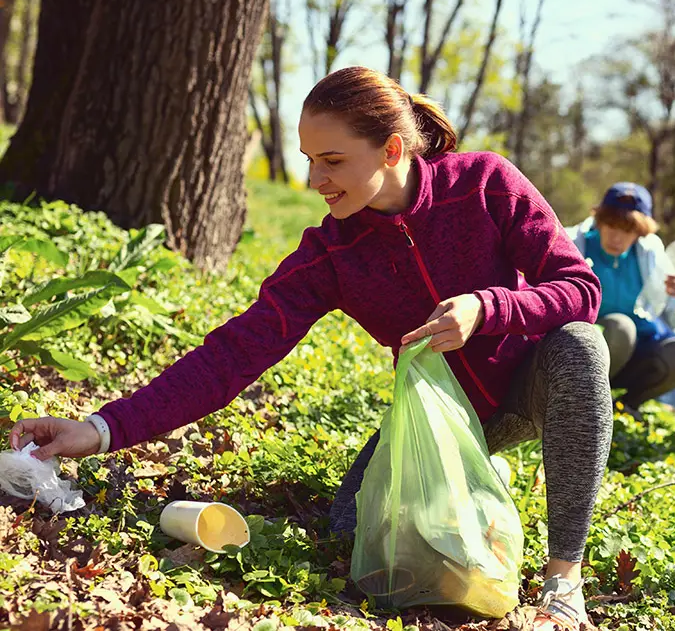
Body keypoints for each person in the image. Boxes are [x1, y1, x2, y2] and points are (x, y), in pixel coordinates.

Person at [7, 66, 611, 630]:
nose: (315, 180)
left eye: (332, 160)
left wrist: (489, 308)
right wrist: (101, 428)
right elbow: (235, 352)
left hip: (530, 384)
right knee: (353, 532)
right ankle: (478, 475)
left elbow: (581, 289)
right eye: (308, 161)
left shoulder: (483, 185)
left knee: (581, 351)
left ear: (392, 149)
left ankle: (564, 578)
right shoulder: (332, 252)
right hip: (439, 416)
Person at [565, 183, 675, 417]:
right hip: (585, 352)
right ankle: (586, 401)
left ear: (641, 231)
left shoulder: (651, 257)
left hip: (636, 356)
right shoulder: (572, 246)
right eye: (611, 224)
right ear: (599, 220)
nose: (617, 237)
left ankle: (624, 406)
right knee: (621, 327)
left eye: (628, 229)